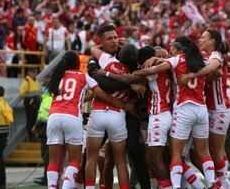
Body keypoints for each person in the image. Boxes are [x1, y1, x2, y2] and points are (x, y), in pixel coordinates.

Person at [133, 36, 217, 188]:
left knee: (173, 156)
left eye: (172, 47)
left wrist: (135, 73)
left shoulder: (175, 61)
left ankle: (174, 186)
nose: (170, 50)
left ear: (179, 49)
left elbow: (152, 70)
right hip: (200, 109)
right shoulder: (200, 60)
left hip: (176, 112)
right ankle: (212, 183)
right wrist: (196, 74)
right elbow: (215, 71)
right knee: (203, 152)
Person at [45, 51, 126, 189]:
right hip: (72, 117)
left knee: (53, 161)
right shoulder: (84, 77)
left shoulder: (57, 77)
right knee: (75, 160)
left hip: (53, 117)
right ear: (77, 63)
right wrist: (123, 105)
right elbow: (101, 94)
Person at [95, 46, 173, 189]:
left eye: (164, 55)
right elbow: (125, 81)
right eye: (159, 55)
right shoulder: (166, 67)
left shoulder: (150, 70)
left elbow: (128, 79)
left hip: (150, 117)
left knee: (147, 157)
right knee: (115, 159)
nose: (162, 58)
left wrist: (107, 74)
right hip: (148, 116)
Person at [179, 30, 230, 188]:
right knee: (199, 153)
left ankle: (224, 185)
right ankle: (222, 184)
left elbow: (213, 70)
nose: (200, 39)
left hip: (219, 109)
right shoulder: (203, 55)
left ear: (213, 41)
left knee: (216, 152)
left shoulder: (216, 55)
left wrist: (191, 76)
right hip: (205, 109)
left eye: (203, 37)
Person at [32, 88, 53, 186]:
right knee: (46, 155)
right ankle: (46, 176)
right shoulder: (47, 98)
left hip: (45, 129)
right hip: (46, 129)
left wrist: (36, 126)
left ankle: (47, 178)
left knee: (46, 156)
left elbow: (44, 117)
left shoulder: (48, 99)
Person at [19, 68, 41, 142]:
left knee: (34, 119)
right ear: (29, 73)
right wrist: (30, 96)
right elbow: (21, 93)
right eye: (34, 72)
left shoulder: (35, 81)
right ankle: (31, 137)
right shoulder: (27, 81)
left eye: (36, 72)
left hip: (35, 101)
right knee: (30, 120)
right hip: (29, 102)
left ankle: (33, 136)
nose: (35, 74)